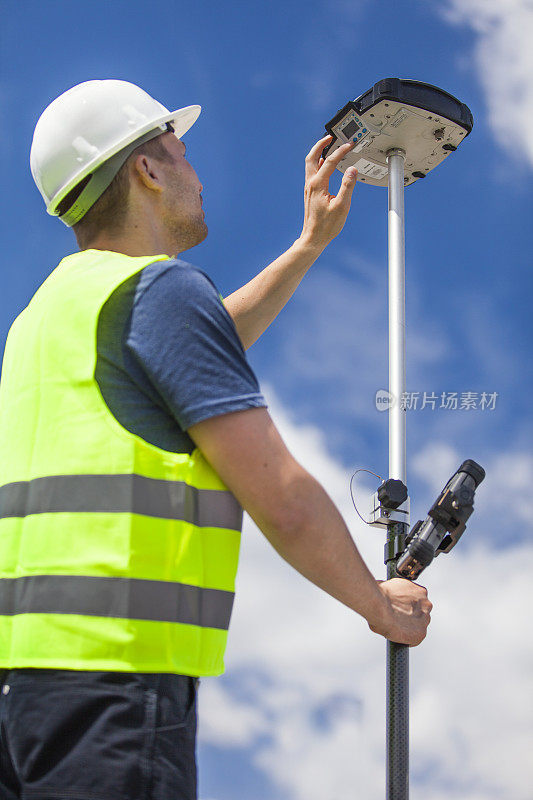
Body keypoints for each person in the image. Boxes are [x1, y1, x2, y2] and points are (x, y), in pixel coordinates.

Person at [0, 80, 432, 800]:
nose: (195, 175)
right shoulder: (159, 291)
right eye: (182, 153)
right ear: (147, 170)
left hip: (23, 696)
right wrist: (378, 606)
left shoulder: (48, 316)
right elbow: (283, 499)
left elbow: (192, 351)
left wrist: (305, 248)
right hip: (115, 683)